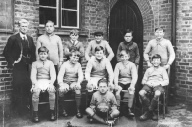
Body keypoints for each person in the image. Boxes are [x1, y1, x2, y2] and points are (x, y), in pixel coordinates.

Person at [3, 19, 36, 114]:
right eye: (22, 26)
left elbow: (33, 52)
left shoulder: (29, 38)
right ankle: (17, 108)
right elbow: (6, 52)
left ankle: (26, 107)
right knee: (17, 86)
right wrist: (12, 62)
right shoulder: (13, 38)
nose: (24, 28)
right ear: (19, 27)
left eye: (26, 26)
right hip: (18, 67)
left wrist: (32, 63)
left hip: (27, 67)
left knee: (27, 85)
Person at [139, 54, 169, 121]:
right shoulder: (148, 70)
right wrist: (147, 83)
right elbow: (143, 80)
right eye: (154, 60)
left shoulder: (162, 70)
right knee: (141, 93)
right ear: (152, 61)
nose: (156, 62)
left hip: (158, 85)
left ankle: (148, 112)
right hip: (149, 84)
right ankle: (152, 112)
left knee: (157, 93)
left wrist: (159, 83)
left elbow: (166, 81)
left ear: (160, 61)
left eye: (158, 60)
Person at [31, 46, 56, 122]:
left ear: (47, 55)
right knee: (36, 92)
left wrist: (51, 83)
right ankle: (35, 113)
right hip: (38, 81)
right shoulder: (35, 63)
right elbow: (33, 76)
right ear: (38, 54)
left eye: (44, 54)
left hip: (47, 81)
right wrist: (35, 84)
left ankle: (52, 112)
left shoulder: (50, 63)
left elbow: (53, 75)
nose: (43, 55)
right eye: (41, 54)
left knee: (52, 91)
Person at [57, 49, 84, 118]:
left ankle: (78, 110)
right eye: (74, 57)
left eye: (77, 58)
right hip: (65, 82)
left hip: (74, 82)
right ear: (70, 57)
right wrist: (61, 84)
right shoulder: (65, 64)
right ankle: (63, 109)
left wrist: (78, 83)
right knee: (61, 91)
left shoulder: (78, 65)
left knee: (78, 91)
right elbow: (60, 75)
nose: (75, 59)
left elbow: (81, 75)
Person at [114, 50, 138, 117]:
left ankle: (129, 109)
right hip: (121, 81)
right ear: (120, 57)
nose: (124, 58)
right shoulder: (118, 65)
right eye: (122, 57)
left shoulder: (132, 65)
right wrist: (116, 84)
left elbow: (134, 76)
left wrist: (132, 85)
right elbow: (115, 75)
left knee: (131, 90)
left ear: (128, 56)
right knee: (118, 90)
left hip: (129, 81)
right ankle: (117, 108)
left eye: (126, 56)